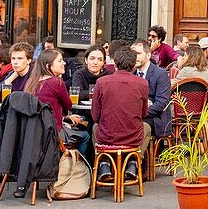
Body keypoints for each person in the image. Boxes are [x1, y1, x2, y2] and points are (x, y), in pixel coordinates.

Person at [92, 45, 149, 182]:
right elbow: (143, 114)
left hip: (107, 136)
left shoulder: (101, 82)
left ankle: (104, 162)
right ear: (134, 65)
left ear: (115, 64)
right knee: (147, 127)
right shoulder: (142, 83)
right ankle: (134, 161)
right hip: (132, 137)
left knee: (94, 127)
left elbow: (95, 115)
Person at [25, 48, 89, 155]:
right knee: (85, 136)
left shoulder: (31, 82)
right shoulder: (56, 82)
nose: (64, 63)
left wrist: (65, 117)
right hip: (54, 132)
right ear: (47, 66)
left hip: (34, 132)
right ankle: (76, 165)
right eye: (59, 61)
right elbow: (68, 105)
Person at [130, 38, 174, 149]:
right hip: (134, 116)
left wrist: (139, 113)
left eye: (138, 54)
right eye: (133, 54)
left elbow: (161, 103)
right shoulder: (131, 74)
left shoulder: (161, 74)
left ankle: (134, 160)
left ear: (148, 55)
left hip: (155, 118)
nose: (135, 57)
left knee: (137, 127)